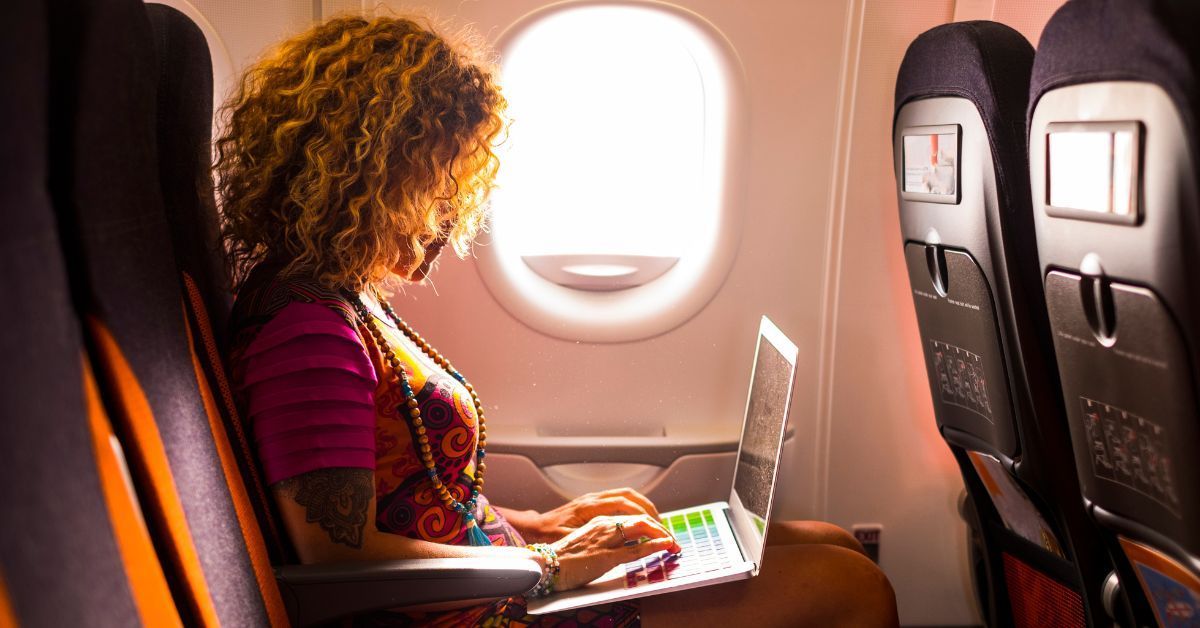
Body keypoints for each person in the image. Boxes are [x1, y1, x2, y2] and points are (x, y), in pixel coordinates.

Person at [217, 14, 898, 627]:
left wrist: (543, 524)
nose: (450, 219)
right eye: (432, 189)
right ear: (362, 178)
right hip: (471, 615)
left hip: (500, 579)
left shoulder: (346, 299)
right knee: (850, 587)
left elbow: (430, 501)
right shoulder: (304, 332)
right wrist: (551, 567)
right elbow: (339, 557)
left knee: (828, 541)